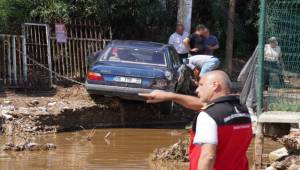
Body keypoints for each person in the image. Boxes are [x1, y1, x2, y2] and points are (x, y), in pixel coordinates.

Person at [139, 70, 252, 170]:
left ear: (214, 85)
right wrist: (169, 95)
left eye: (201, 85)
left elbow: (208, 156)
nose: (197, 90)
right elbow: (203, 104)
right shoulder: (243, 111)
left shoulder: (208, 116)